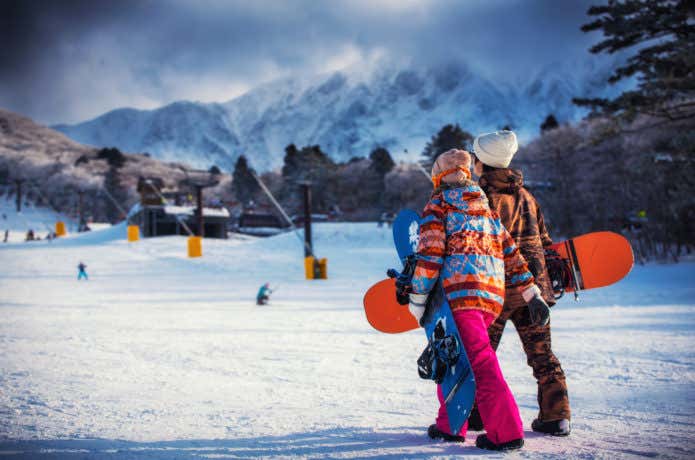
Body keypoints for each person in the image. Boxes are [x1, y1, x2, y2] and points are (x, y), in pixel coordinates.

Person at [409, 149, 550, 451]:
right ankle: (450, 425)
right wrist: (530, 291)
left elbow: (430, 254)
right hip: (491, 296)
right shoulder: (485, 207)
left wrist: (418, 297)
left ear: (439, 177)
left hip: (459, 296)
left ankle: (506, 432)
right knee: (452, 358)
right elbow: (510, 252)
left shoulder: (439, 204)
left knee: (478, 362)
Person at [469, 130, 571, 436]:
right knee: (542, 355)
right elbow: (546, 241)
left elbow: (476, 247)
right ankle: (557, 416)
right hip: (533, 291)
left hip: (495, 292)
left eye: (474, 157)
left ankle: (476, 415)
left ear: (482, 163)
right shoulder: (528, 197)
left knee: (481, 357)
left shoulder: (481, 199)